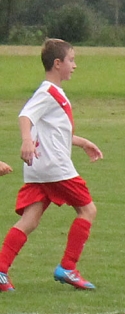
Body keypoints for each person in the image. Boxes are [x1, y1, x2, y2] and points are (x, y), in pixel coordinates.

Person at [0, 39, 103, 293]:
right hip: (55, 167)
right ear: (57, 63)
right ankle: (68, 267)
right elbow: (25, 116)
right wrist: (26, 140)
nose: (74, 65)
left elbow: (54, 132)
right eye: (71, 60)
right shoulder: (48, 92)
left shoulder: (54, 93)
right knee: (88, 210)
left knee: (30, 219)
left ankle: (0, 270)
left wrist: (82, 142)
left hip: (38, 169)